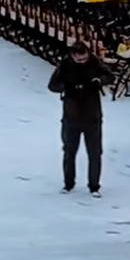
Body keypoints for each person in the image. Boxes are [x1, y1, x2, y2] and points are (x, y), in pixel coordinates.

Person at [48, 40, 110, 196]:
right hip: (71, 116)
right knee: (69, 151)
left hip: (92, 116)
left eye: (85, 59)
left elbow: (110, 76)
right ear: (72, 56)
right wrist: (66, 87)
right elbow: (52, 85)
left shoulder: (95, 63)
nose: (83, 62)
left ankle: (94, 186)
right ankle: (68, 183)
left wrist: (99, 81)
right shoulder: (65, 66)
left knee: (95, 153)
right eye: (79, 60)